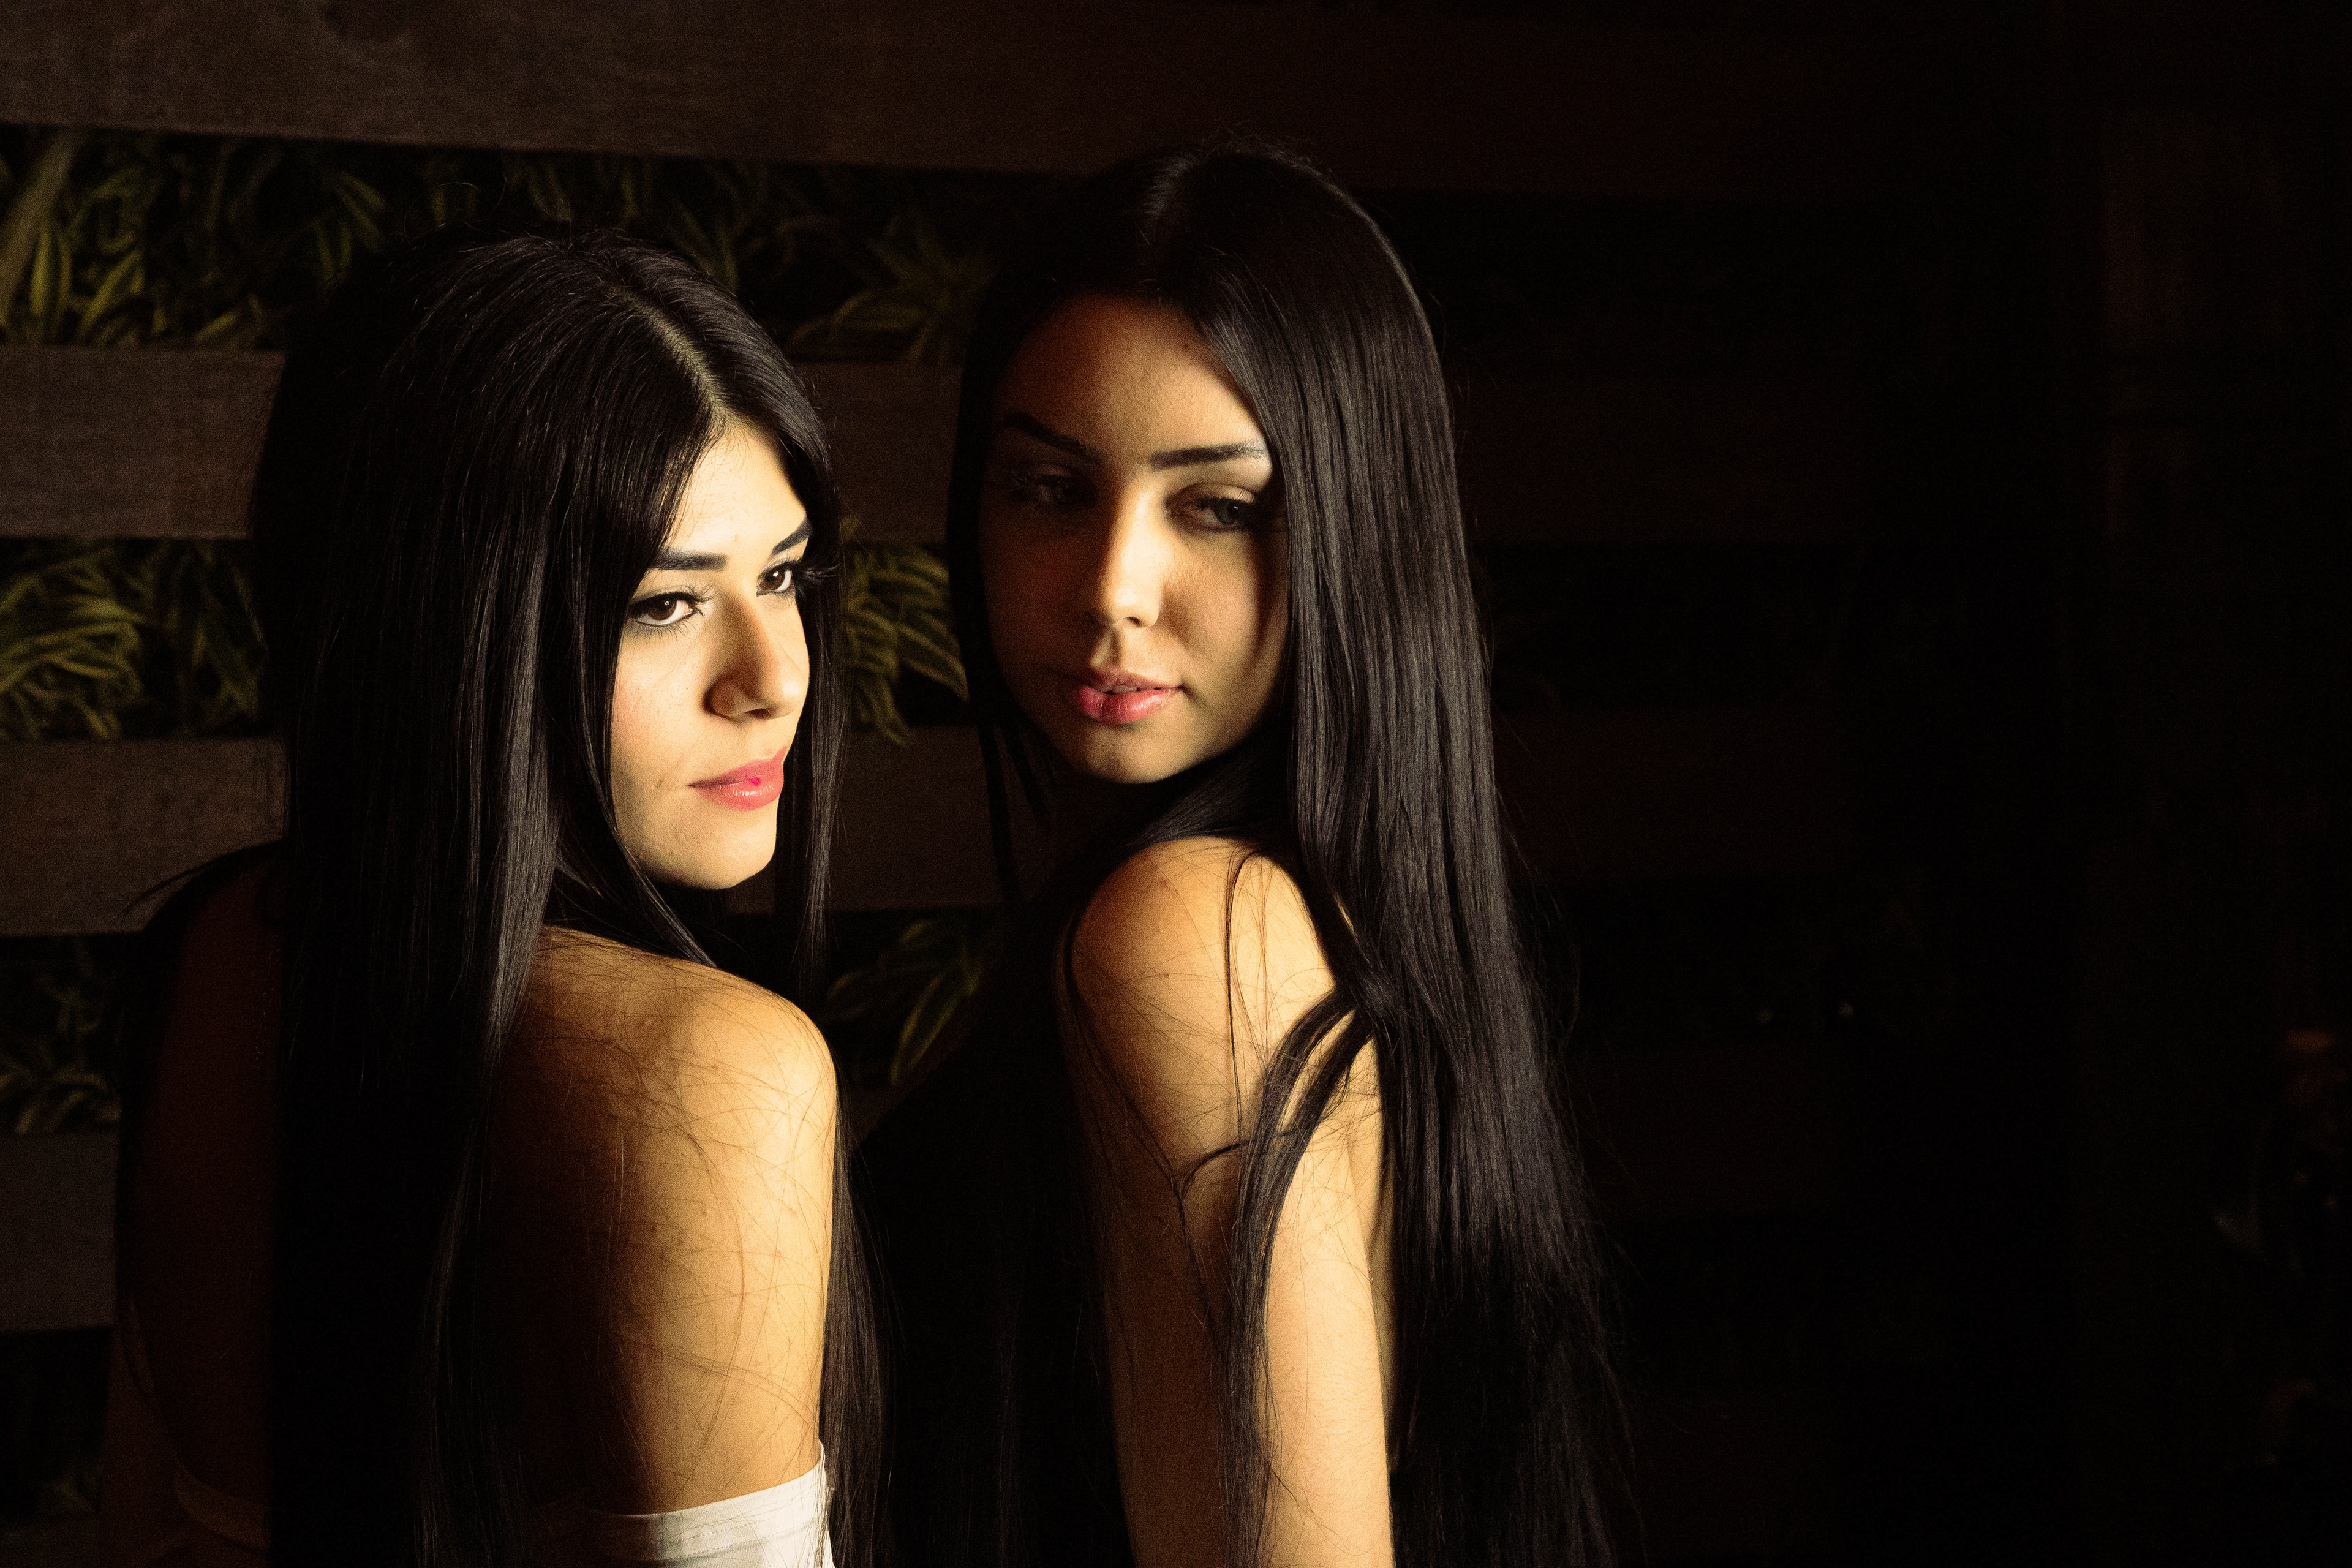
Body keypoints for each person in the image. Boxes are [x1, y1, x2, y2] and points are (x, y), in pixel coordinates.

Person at [856, 143, 1620, 1567]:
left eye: (1216, 507)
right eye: (1047, 487)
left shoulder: (1194, 936)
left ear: (1352, 530)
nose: (1112, 588)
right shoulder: (1321, 926)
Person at [97, 227, 875, 1567]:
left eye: (782, 576)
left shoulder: (219, 952)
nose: (776, 678)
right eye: (664, 605)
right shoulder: (707, 1069)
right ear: (459, 629)